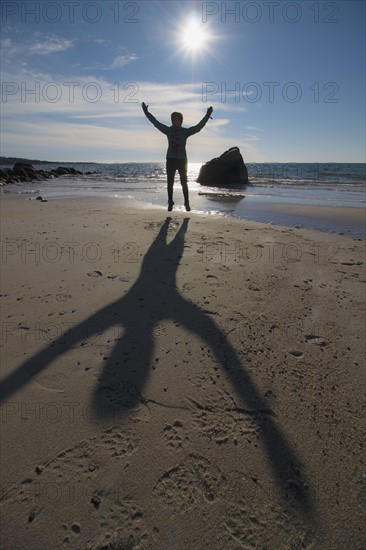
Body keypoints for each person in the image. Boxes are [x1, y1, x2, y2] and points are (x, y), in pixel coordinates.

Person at [141, 102, 213, 211]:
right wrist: (146, 113)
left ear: (181, 121)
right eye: (174, 119)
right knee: (170, 182)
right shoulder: (168, 130)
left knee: (184, 182)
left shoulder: (185, 132)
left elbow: (198, 127)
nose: (176, 121)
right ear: (172, 121)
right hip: (170, 159)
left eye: (178, 119)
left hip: (182, 160)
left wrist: (207, 116)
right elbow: (156, 123)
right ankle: (170, 201)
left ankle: (186, 203)